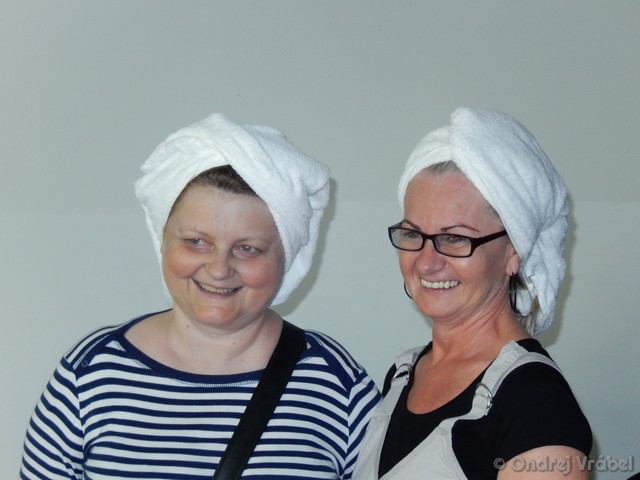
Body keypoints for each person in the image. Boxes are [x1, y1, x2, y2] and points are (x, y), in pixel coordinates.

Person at [20, 113, 380, 479]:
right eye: (196, 241)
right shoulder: (90, 373)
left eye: (248, 248)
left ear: (285, 257)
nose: (219, 269)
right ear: (163, 241)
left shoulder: (338, 384)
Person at [352, 107, 592, 479]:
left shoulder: (534, 402)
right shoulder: (404, 374)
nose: (426, 263)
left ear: (513, 252)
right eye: (413, 234)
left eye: (455, 238)